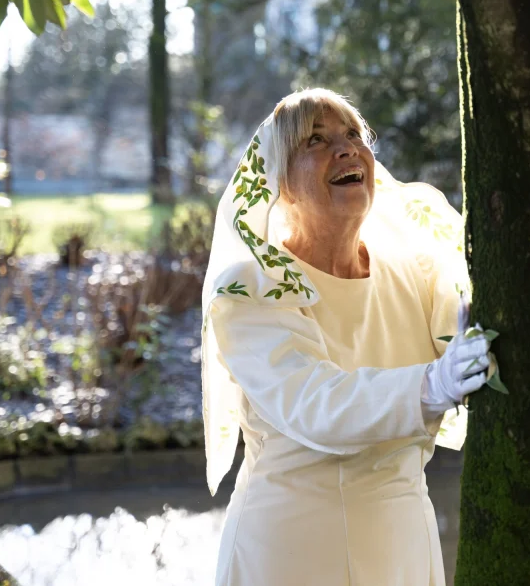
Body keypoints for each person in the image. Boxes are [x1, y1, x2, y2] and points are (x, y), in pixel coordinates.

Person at [200, 88, 496, 586]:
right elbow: (313, 402)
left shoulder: (418, 269)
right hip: (291, 552)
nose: (345, 149)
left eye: (354, 135)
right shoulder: (252, 288)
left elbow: (471, 341)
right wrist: (431, 386)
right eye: (315, 140)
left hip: (401, 544)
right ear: (281, 183)